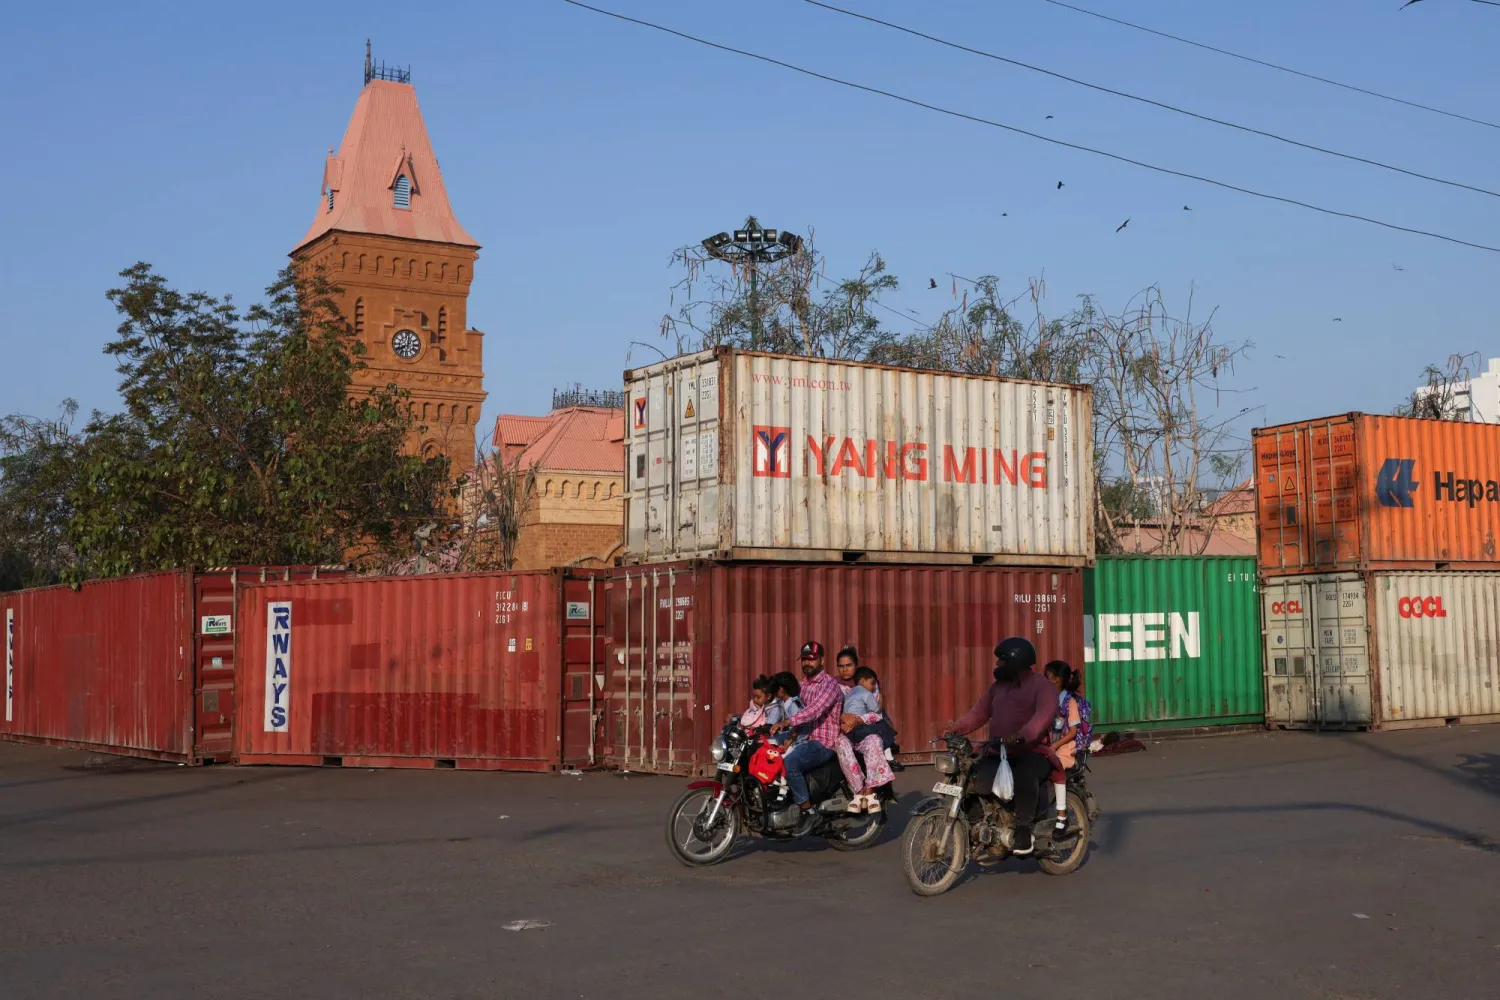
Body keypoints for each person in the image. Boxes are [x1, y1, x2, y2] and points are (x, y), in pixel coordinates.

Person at [946, 637, 1058, 856]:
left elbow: (1042, 718)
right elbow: (979, 713)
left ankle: (1024, 830)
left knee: (1025, 773)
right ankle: (982, 826)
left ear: (1017, 661)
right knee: (968, 777)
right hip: (998, 751)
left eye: (1002, 661)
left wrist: (1021, 736)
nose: (997, 666)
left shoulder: (1041, 685)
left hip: (1032, 751)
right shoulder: (997, 688)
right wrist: (956, 729)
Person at [770, 641, 843, 813]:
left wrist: (788, 722)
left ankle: (807, 810)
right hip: (803, 736)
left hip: (822, 742)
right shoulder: (803, 685)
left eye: (811, 659)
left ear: (822, 661)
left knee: (790, 763)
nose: (807, 663)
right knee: (765, 744)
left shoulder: (829, 685)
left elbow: (814, 710)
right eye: (804, 659)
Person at [836, 666, 896, 813]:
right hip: (859, 730)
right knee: (877, 733)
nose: (874, 686)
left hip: (850, 732)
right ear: (862, 681)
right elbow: (876, 712)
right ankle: (868, 789)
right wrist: (862, 717)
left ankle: (859, 790)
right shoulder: (865, 692)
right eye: (872, 683)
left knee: (843, 743)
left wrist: (852, 720)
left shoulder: (847, 693)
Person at [835, 645, 903, 769]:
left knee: (878, 733)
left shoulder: (868, 680)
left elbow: (876, 709)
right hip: (844, 726)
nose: (844, 669)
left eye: (849, 665)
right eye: (841, 666)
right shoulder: (833, 684)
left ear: (856, 665)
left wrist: (860, 719)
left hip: (868, 722)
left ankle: (887, 760)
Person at [1043, 660, 1085, 836]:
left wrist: (1056, 745)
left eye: (1048, 677)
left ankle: (1062, 816)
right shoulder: (1046, 699)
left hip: (1064, 748)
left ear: (1057, 680)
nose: (1045, 680)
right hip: (1049, 745)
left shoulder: (1070, 703)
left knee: (1054, 768)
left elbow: (1073, 731)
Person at [768, 672, 804, 747]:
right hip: (791, 736)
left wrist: (788, 743)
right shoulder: (788, 701)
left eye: (776, 689)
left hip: (798, 741)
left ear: (781, 690)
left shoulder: (793, 704)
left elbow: (797, 727)